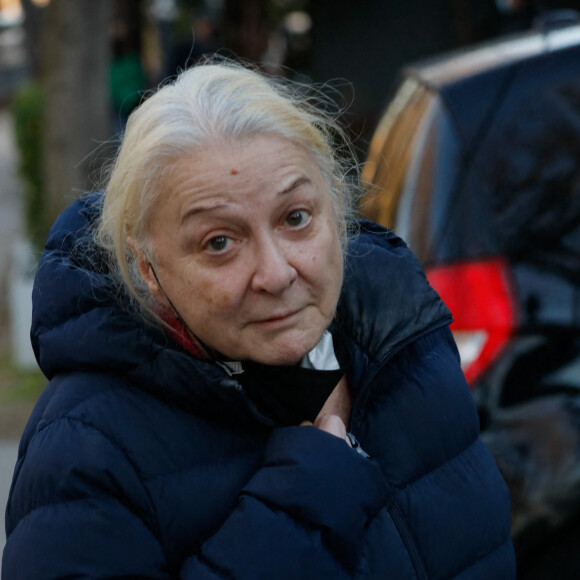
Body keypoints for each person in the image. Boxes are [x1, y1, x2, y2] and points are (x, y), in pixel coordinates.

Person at [2, 59, 516, 579]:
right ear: (147, 268)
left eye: (295, 218)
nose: (275, 273)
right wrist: (302, 508)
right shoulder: (84, 453)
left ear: (334, 208)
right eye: (219, 243)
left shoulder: (406, 341)